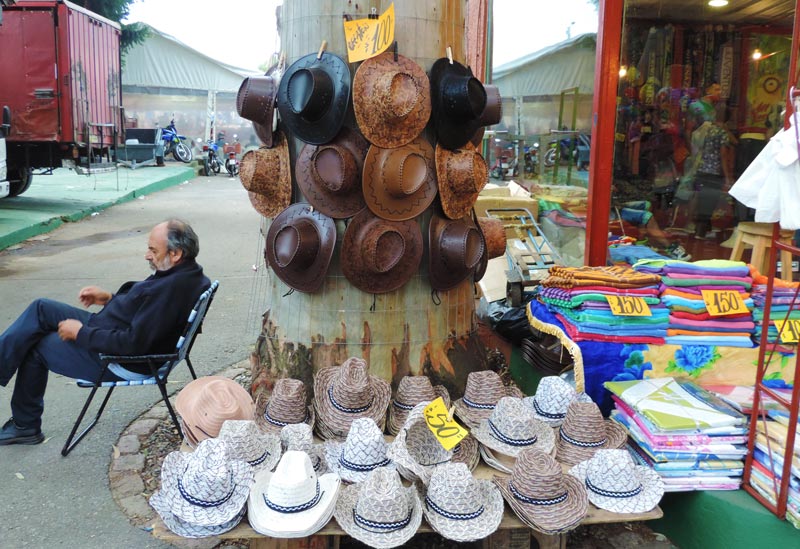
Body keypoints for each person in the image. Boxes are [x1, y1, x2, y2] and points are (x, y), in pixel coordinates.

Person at [0, 219, 211, 445]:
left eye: (153, 250)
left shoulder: (170, 290)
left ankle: (25, 425)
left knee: (36, 346)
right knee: (41, 308)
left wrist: (81, 334)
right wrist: (110, 299)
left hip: (120, 359)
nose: (147, 255)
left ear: (176, 253)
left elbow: (133, 344)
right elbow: (144, 313)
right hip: (109, 328)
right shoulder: (188, 274)